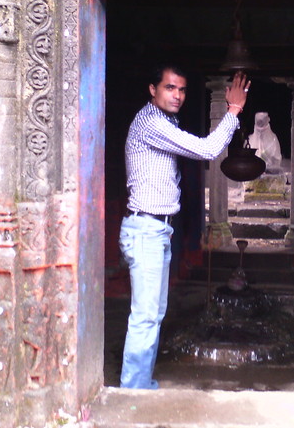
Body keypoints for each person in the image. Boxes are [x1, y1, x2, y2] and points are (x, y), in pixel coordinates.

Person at [119, 64, 250, 389]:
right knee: (146, 317)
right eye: (169, 88)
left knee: (154, 313)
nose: (177, 95)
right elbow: (207, 149)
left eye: (182, 89)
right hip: (145, 230)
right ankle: (133, 391)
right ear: (153, 89)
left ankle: (140, 384)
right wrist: (233, 110)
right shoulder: (151, 123)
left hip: (157, 230)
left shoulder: (165, 122)